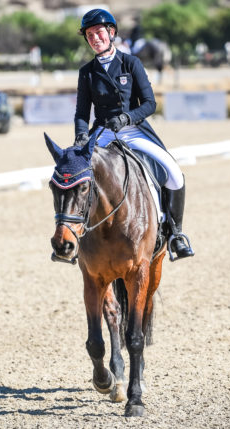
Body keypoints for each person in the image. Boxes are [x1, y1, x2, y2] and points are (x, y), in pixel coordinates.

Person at [74, 8, 194, 260]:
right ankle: (75, 238)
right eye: (90, 35)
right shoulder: (86, 71)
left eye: (99, 33)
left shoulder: (131, 63)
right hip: (104, 135)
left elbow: (150, 103)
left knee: (174, 173)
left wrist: (128, 117)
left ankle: (176, 234)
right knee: (75, 178)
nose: (95, 38)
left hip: (133, 131)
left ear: (111, 32)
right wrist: (81, 136)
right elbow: (82, 113)